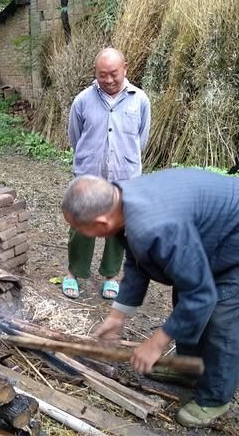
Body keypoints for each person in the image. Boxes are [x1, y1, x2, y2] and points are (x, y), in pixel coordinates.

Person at [61, 169, 239, 427]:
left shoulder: (157, 225)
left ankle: (215, 397)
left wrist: (157, 342)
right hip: (218, 232)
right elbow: (138, 262)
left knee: (224, 315)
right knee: (185, 288)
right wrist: (117, 317)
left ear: (102, 223)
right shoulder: (120, 200)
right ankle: (189, 367)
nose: (82, 235)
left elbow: (200, 294)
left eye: (81, 230)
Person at [63, 47, 151, 300]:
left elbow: (140, 138)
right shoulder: (82, 100)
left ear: (125, 68)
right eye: (103, 75)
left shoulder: (140, 100)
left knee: (118, 227)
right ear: (95, 73)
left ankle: (111, 275)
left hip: (124, 176)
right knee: (81, 224)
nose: (109, 79)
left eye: (114, 73)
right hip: (89, 175)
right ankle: (74, 272)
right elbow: (75, 137)